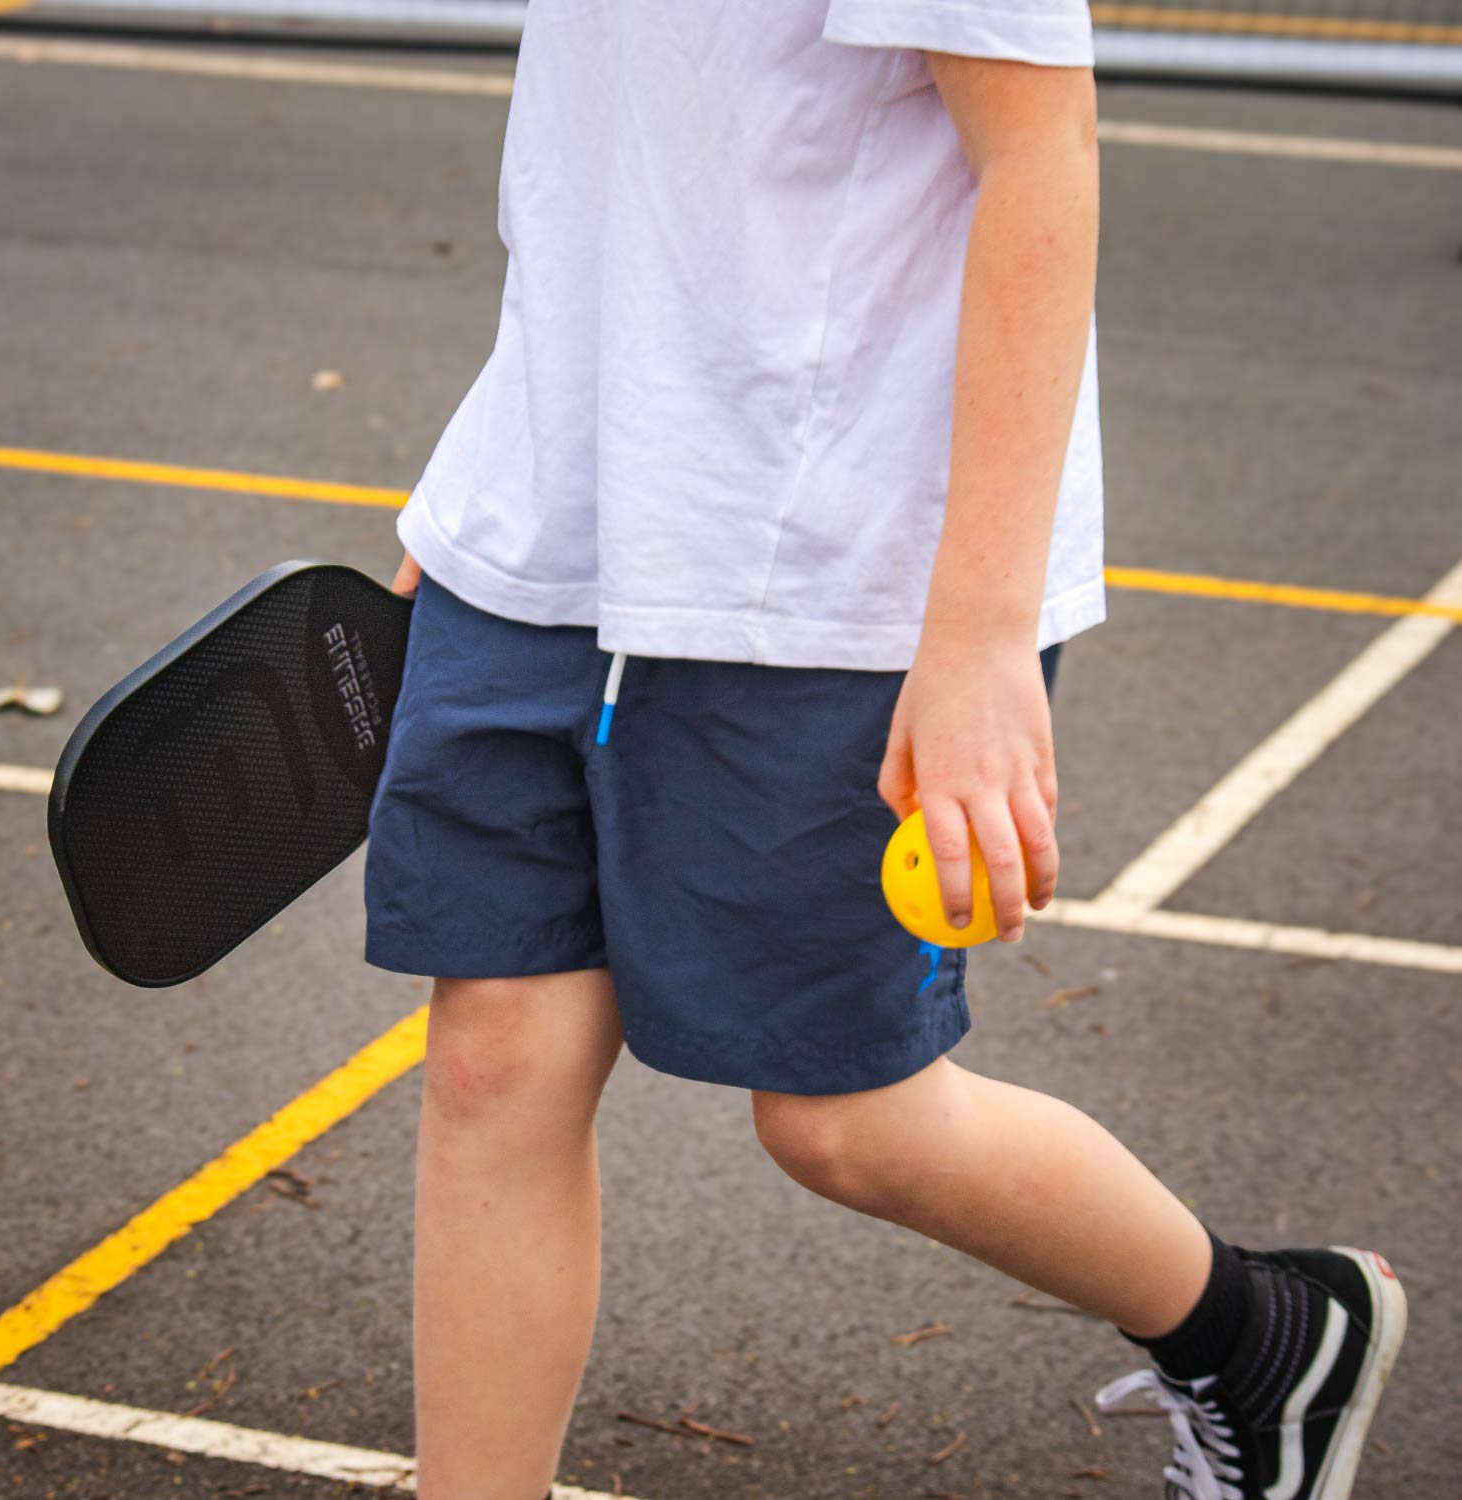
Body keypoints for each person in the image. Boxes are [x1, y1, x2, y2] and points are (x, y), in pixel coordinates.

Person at [363, 3, 1405, 1497]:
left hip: (841, 576)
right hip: (541, 523)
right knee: (489, 1067)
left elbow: (1042, 159)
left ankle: (1263, 1332)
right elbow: (636, 148)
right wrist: (479, 489)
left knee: (846, 1121)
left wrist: (977, 639)